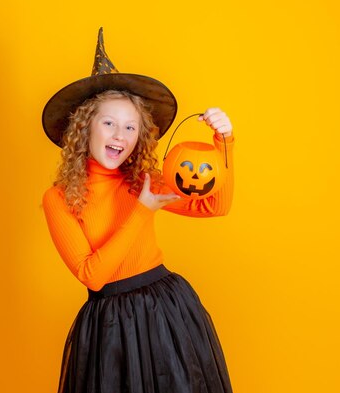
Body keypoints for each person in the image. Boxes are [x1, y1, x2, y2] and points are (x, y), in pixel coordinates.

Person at [41, 28, 235, 393]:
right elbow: (92, 275)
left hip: (166, 313)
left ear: (140, 136)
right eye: (109, 123)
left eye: (130, 127)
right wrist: (143, 210)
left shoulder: (142, 180)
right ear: (84, 129)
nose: (120, 135)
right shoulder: (59, 197)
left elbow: (215, 205)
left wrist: (224, 142)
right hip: (109, 327)